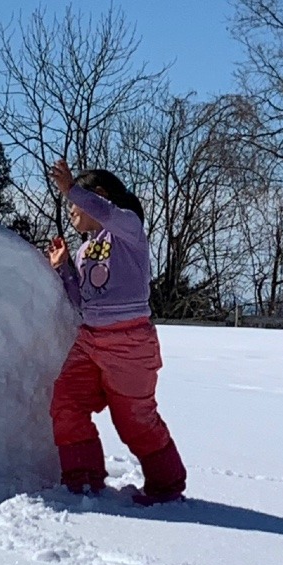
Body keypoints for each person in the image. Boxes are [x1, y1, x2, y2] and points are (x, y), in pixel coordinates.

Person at [47, 158, 186, 505]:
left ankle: (167, 486)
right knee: (66, 402)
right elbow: (82, 300)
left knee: (134, 421)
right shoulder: (83, 250)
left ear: (98, 196)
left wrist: (72, 189)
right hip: (90, 339)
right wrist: (64, 268)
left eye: (74, 205)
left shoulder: (128, 228)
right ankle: (82, 480)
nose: (72, 213)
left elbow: (105, 213)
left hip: (129, 342)